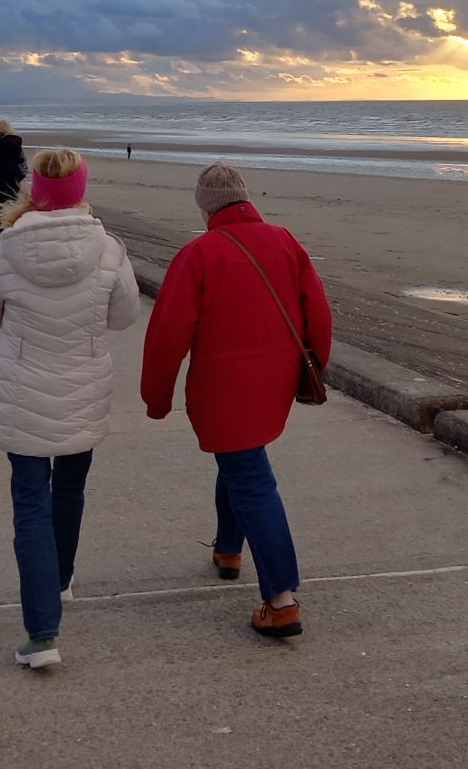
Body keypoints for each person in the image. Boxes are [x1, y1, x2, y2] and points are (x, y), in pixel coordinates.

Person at [0, 148, 140, 670]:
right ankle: (60, 580)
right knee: (69, 486)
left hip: (23, 388)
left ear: (33, 192)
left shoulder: (8, 248)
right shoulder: (108, 248)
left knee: (30, 502)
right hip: (84, 383)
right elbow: (125, 316)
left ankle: (43, 634)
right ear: (80, 190)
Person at [141, 162, 332, 640]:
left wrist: (157, 397)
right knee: (241, 460)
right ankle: (228, 548)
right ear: (246, 197)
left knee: (249, 475)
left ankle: (281, 599)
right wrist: (311, 370)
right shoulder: (285, 240)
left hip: (223, 387)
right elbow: (319, 315)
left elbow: (167, 335)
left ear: (204, 203)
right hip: (275, 381)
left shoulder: (199, 253)